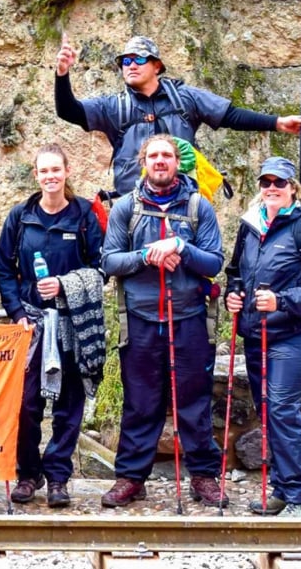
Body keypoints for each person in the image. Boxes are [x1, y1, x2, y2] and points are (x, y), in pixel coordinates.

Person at [99, 134, 226, 508]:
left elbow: (214, 261)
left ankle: (203, 476)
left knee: (194, 402)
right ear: (143, 162)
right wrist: (148, 255)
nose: (159, 160)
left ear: (177, 162)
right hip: (141, 319)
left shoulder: (199, 207)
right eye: (153, 155)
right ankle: (131, 478)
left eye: (166, 155)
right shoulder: (126, 208)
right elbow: (110, 261)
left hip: (189, 318)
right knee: (141, 403)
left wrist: (181, 248)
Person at [224, 156, 301, 518]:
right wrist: (233, 295)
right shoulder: (250, 226)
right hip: (257, 335)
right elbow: (235, 272)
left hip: (295, 336)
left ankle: (300, 497)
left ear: (292, 188)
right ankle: (283, 490)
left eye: (279, 182)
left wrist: (281, 301)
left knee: (283, 409)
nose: (272, 187)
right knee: (270, 412)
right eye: (266, 182)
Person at [54, 34, 301, 194]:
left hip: (183, 202)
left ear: (157, 66)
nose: (130, 65)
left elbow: (230, 116)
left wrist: (277, 123)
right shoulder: (114, 106)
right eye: (125, 62)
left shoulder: (184, 98)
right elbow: (69, 111)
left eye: (139, 59)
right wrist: (62, 75)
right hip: (134, 205)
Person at [0, 144, 104, 509]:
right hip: (31, 323)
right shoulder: (21, 216)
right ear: (36, 175)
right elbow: (3, 269)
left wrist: (64, 285)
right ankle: (28, 474)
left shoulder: (84, 214)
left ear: (67, 171)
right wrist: (16, 312)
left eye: (56, 169)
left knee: (68, 406)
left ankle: (58, 477)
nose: (50, 176)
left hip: (72, 324)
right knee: (26, 404)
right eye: (44, 171)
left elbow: (101, 268)